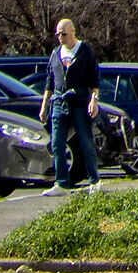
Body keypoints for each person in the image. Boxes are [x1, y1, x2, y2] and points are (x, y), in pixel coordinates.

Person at [40, 14, 102, 192]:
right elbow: (50, 81)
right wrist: (45, 106)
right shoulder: (55, 54)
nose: (61, 37)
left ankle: (94, 181)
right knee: (57, 144)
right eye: (58, 34)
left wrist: (93, 101)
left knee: (85, 141)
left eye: (64, 34)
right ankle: (61, 183)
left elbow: (94, 79)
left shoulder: (84, 51)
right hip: (59, 101)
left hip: (80, 100)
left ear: (73, 32)